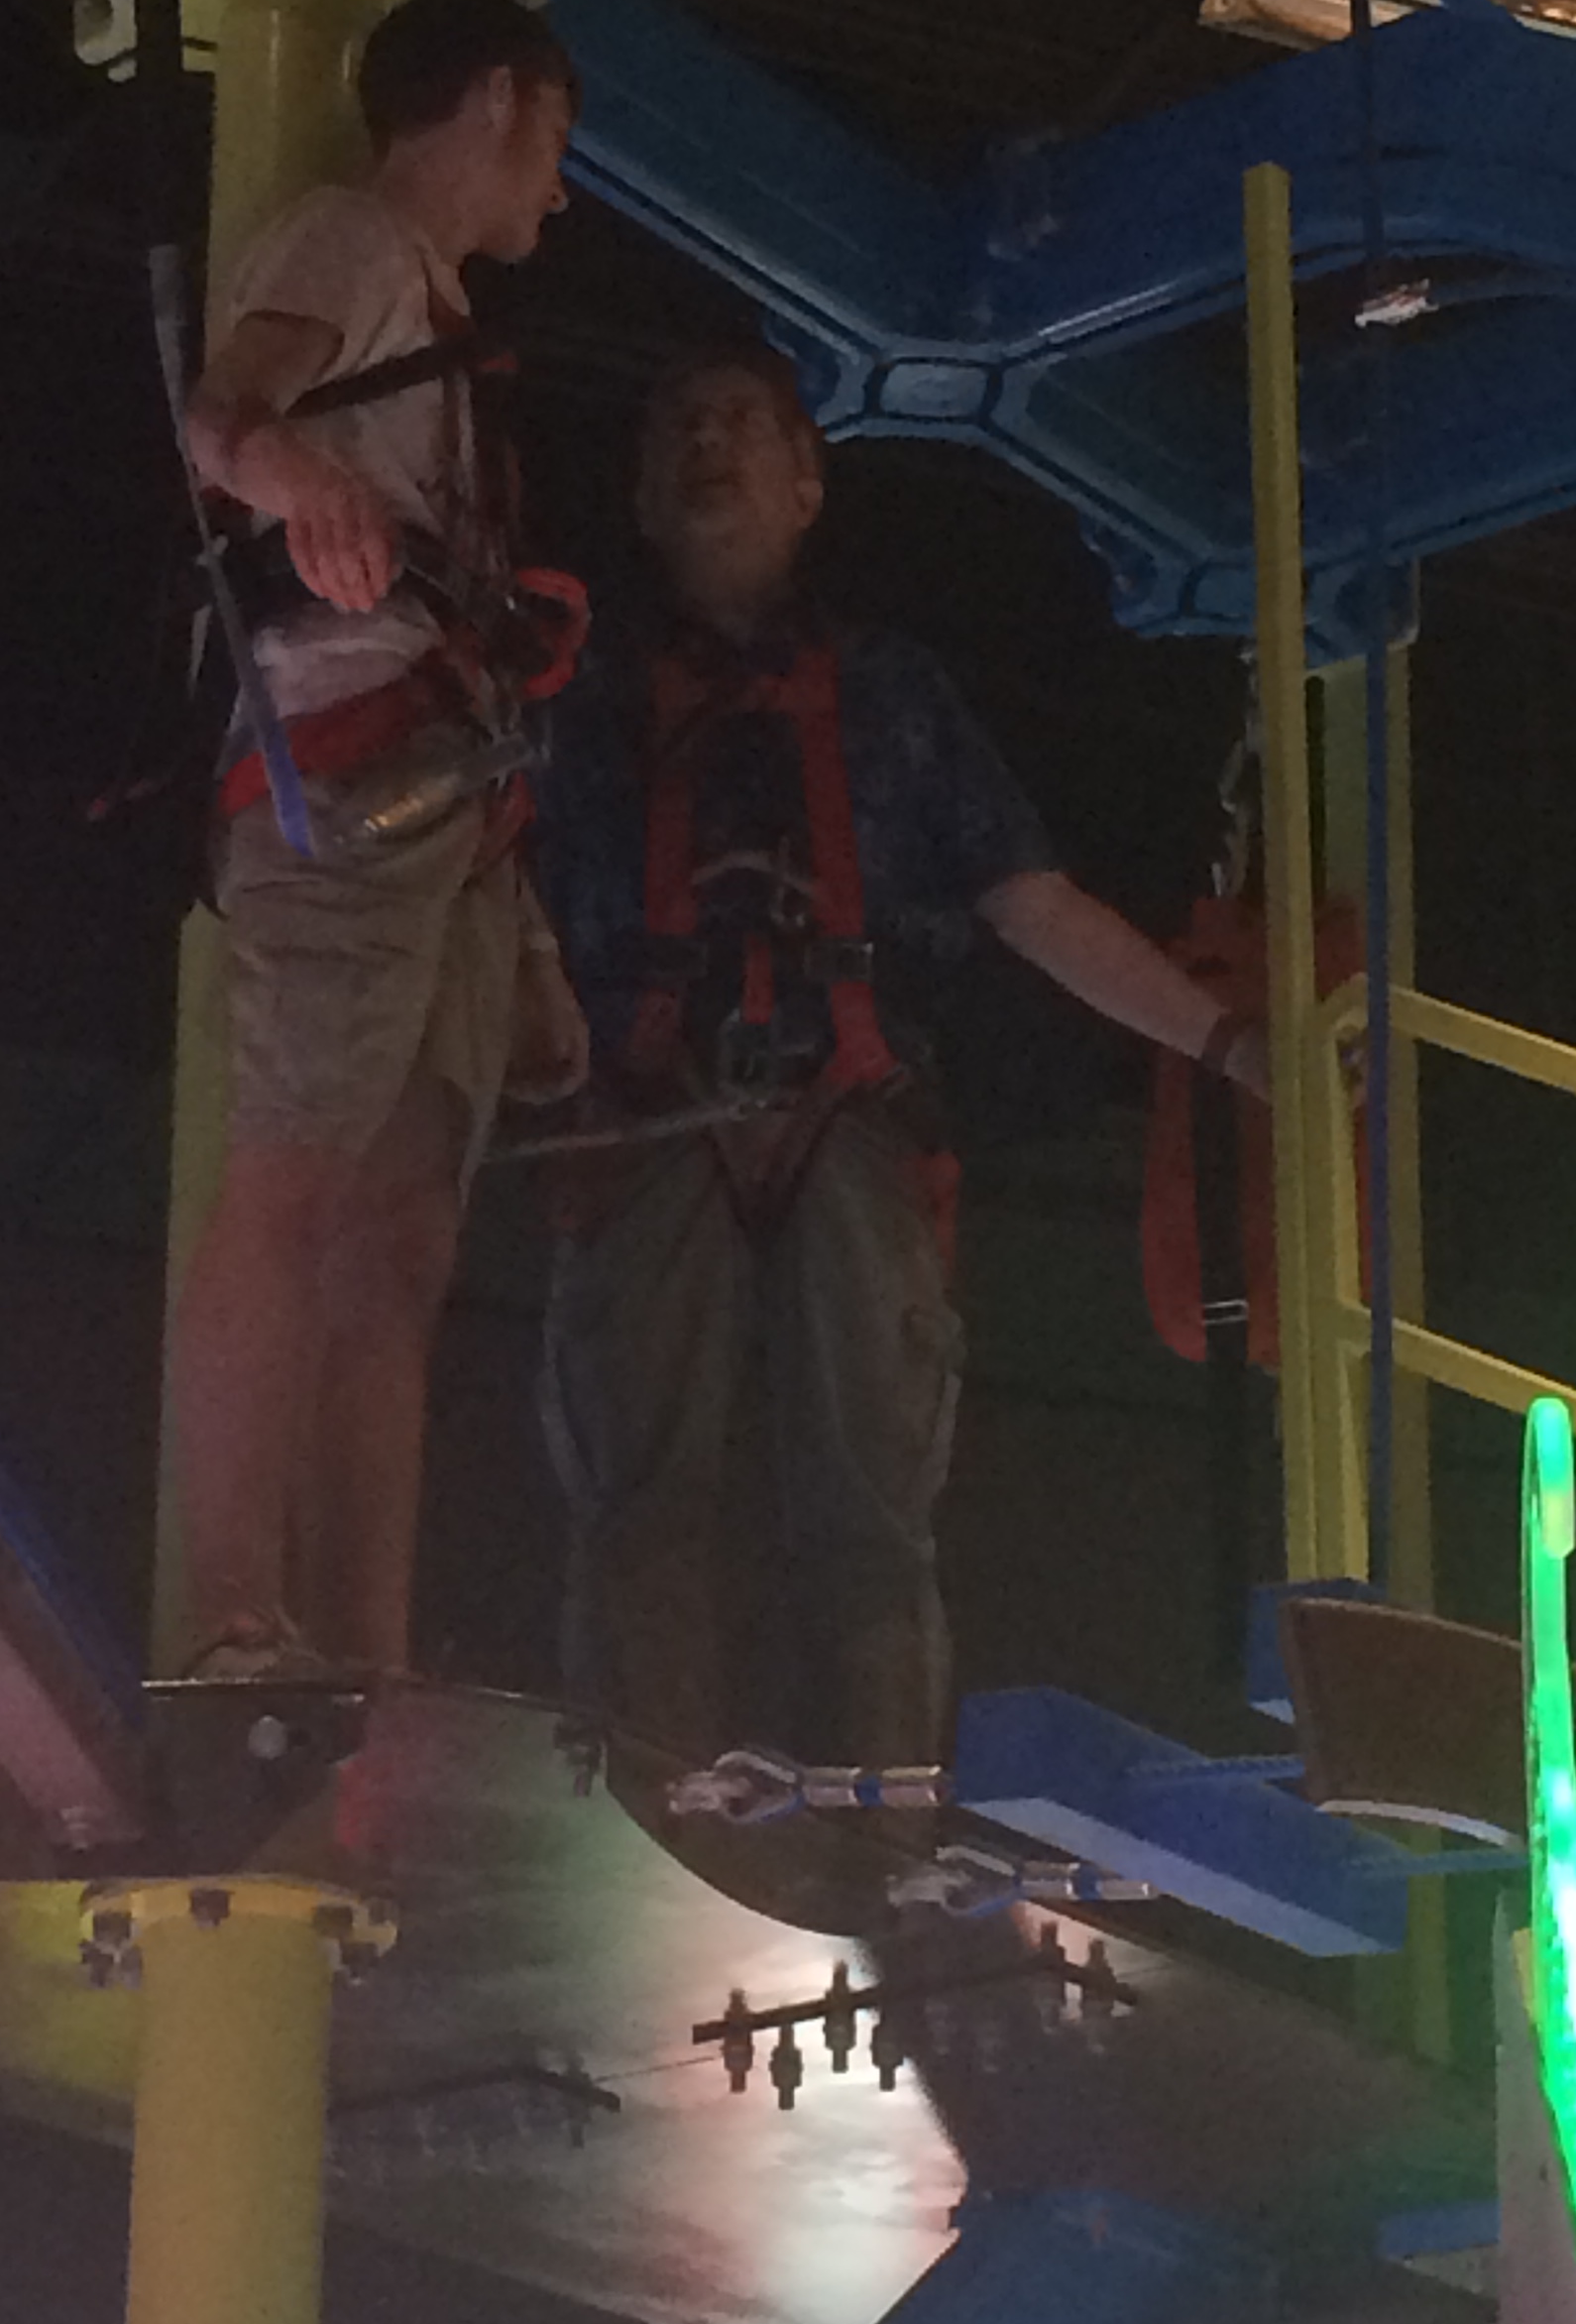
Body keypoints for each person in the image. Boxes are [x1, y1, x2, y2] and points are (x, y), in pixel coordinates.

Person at [530, 346, 1267, 1767]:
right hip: (645, 1115)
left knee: (868, 1521)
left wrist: (1224, 1042)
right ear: (640, 495)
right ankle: (642, 1830)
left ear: (808, 483)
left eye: (741, 423)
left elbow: (1033, 904)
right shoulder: (578, 692)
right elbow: (490, 896)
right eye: (683, 425)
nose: (709, 444)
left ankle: (875, 1828)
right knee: (638, 1509)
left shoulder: (889, 694)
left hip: (850, 1109)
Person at [171, 0, 587, 1680]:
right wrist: (307, 490)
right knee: (294, 1183)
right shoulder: (351, 241)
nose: (557, 188)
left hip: (447, 800)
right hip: (352, 772)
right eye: (552, 141)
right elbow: (220, 421)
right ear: (493, 98)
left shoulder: (427, 301)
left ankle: (366, 1657)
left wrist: (524, 930)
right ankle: (236, 1614)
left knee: (399, 1241)